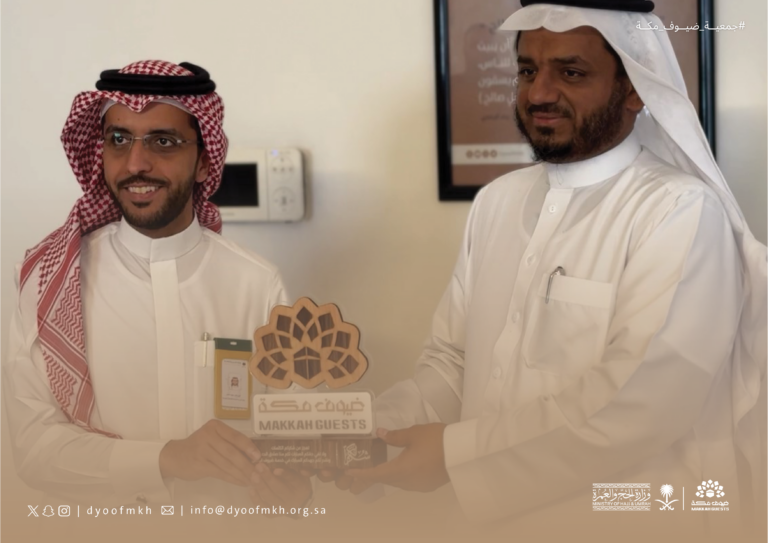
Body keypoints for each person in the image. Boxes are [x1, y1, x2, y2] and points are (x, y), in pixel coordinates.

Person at [336, 0, 766, 537]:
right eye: (527, 70)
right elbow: (453, 362)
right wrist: (371, 431)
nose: (538, 93)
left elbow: (642, 402)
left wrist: (453, 456)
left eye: (571, 72)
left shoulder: (678, 210)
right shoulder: (497, 202)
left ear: (635, 88)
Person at [3, 60, 311, 510]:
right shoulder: (48, 283)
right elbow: (36, 451)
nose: (136, 163)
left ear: (204, 161)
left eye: (163, 141)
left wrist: (294, 485)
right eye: (118, 139)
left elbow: (292, 433)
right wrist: (168, 458)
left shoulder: (256, 284)